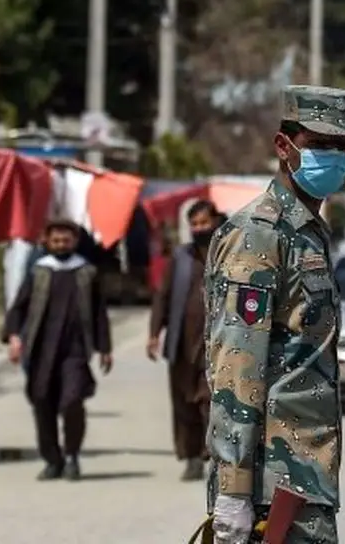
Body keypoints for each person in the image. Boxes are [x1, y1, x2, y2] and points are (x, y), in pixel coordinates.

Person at [205, 85, 345, 544]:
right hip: (267, 485)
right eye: (321, 145)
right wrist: (234, 492)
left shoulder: (308, 231)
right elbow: (236, 368)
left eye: (342, 147)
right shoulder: (259, 234)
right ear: (284, 146)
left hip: (303, 477)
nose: (334, 158)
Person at [5, 220, 114, 481]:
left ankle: (72, 455)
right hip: (41, 350)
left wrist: (105, 348)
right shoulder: (39, 272)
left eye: (66, 241)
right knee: (42, 402)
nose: (61, 246)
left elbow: (99, 312)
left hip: (74, 350)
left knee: (72, 400)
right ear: (47, 242)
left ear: (74, 242)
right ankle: (52, 460)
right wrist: (14, 338)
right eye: (56, 241)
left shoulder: (86, 272)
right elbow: (19, 307)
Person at [146, 199, 222, 481]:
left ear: (216, 221)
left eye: (204, 222)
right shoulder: (180, 258)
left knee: (210, 402)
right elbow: (162, 297)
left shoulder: (229, 253)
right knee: (183, 405)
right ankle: (191, 457)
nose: (199, 229)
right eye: (194, 224)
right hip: (181, 344)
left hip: (218, 345)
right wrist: (155, 333)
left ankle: (213, 456)